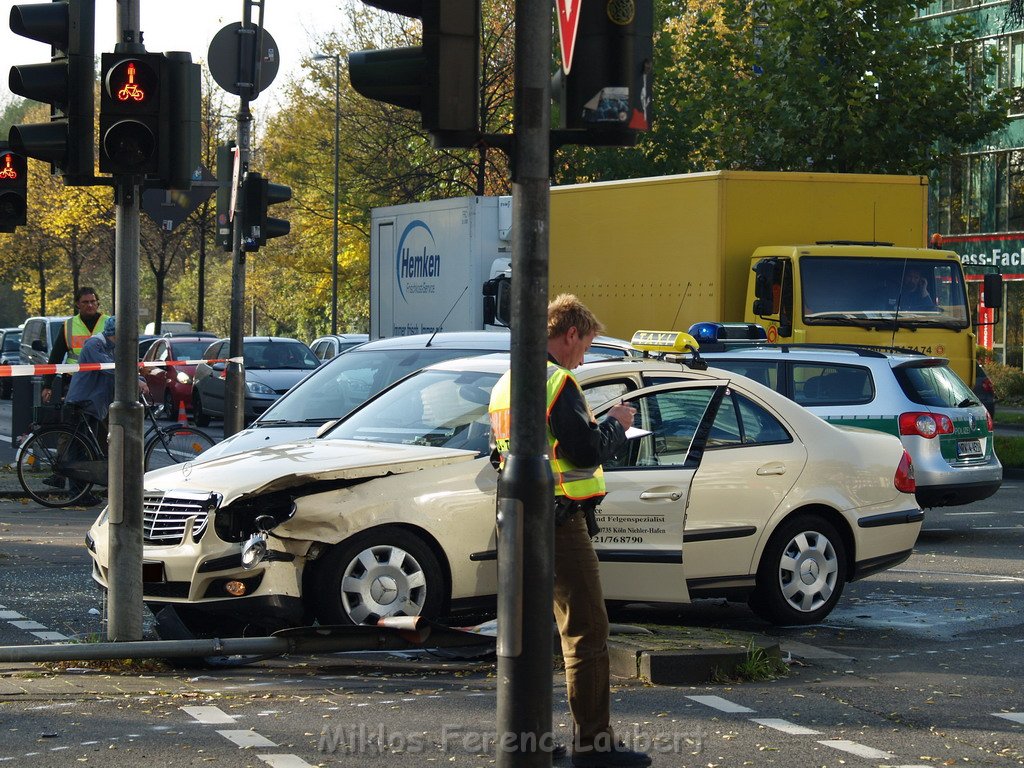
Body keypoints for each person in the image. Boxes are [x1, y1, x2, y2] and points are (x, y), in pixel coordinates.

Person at [488, 294, 650, 768]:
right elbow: (584, 453)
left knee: (530, 632)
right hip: (558, 520)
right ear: (571, 333)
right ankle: (593, 745)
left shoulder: (507, 382)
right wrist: (617, 425)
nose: (585, 355)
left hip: (519, 517)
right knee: (586, 628)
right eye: (587, 344)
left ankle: (530, 738)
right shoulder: (558, 382)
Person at [64, 316, 149, 445]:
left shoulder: (111, 347)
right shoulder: (94, 345)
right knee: (79, 443)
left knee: (91, 444)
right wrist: (137, 381)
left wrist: (140, 379)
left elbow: (123, 367)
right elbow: (111, 368)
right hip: (84, 400)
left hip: (96, 402)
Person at [41, 287, 110, 405]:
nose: (90, 305)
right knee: (75, 415)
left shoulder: (109, 323)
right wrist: (48, 385)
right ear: (78, 304)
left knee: (103, 416)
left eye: (93, 301)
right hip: (75, 378)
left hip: (103, 377)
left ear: (98, 303)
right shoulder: (69, 325)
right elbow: (56, 356)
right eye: (85, 302)